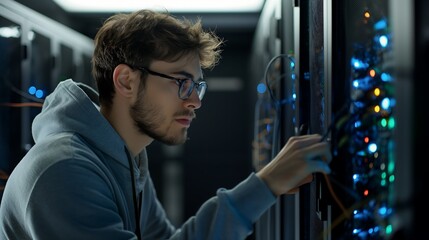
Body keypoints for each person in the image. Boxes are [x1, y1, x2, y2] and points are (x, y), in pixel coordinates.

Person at [0, 9, 332, 240]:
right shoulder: (63, 171)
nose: (195, 101)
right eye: (181, 82)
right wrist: (264, 185)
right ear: (127, 81)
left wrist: (265, 186)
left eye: (197, 86)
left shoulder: (127, 158)